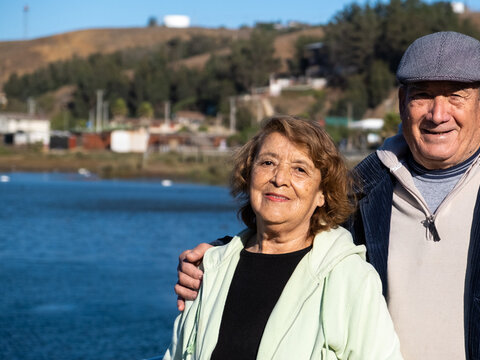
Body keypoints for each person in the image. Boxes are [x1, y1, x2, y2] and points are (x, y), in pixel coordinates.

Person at [175, 32, 480, 359]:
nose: (438, 114)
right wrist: (218, 260)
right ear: (401, 103)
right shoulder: (365, 188)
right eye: (422, 96)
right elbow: (292, 235)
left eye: (455, 95)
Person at [164, 116, 402, 360]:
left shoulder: (351, 279)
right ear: (249, 176)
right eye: (268, 162)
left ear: (322, 194)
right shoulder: (209, 271)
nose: (279, 179)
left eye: (300, 169)